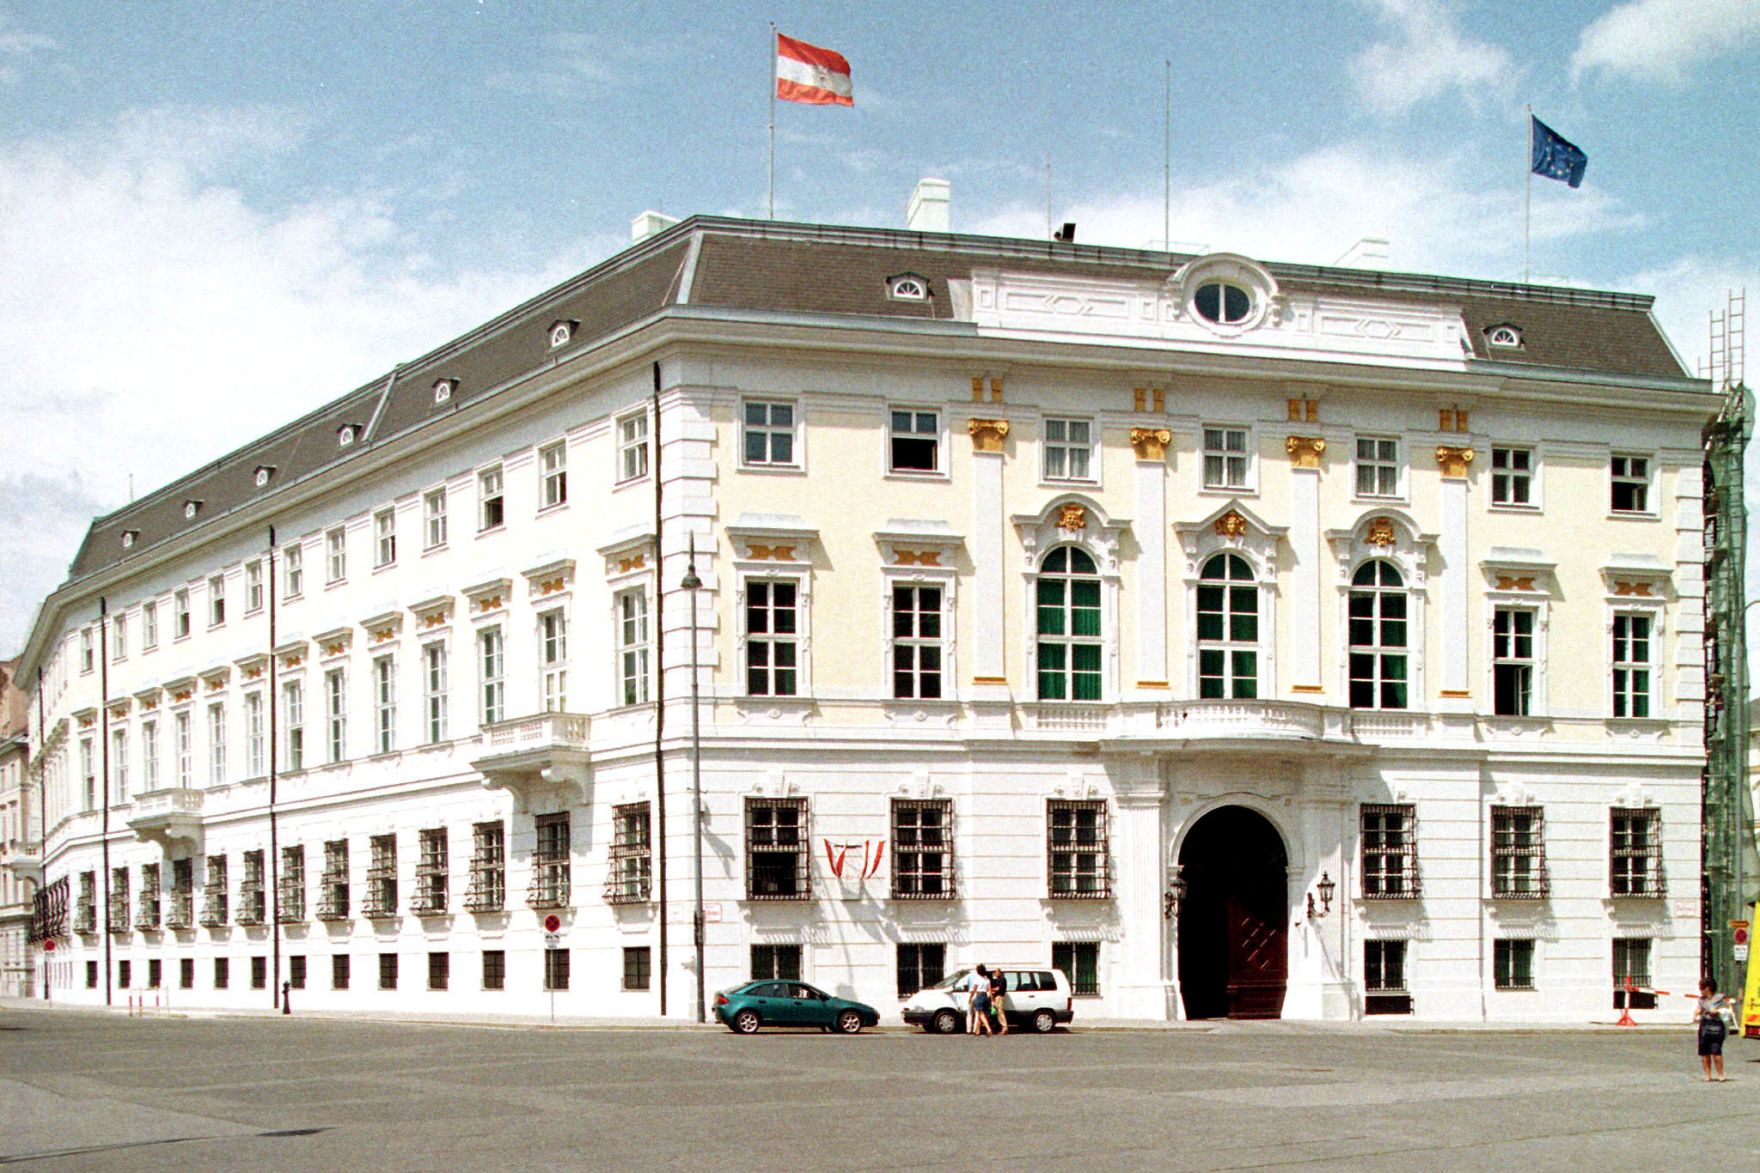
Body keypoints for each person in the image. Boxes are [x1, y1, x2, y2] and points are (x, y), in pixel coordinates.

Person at [1695, 977, 1733, 1082]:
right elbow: (1698, 1009)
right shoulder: (1701, 1000)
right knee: (1704, 1052)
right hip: (1704, 1025)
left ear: (1708, 988)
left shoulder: (1720, 998)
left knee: (1716, 1051)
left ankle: (1720, 1074)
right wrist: (1696, 1014)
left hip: (1716, 1024)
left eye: (1702, 987)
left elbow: (1727, 1009)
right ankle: (1708, 1075)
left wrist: (1717, 1011)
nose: (1700, 990)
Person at [965, 964, 993, 1036]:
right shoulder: (987, 979)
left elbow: (974, 990)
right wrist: (992, 1000)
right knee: (981, 1014)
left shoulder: (977, 979)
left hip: (979, 995)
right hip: (985, 996)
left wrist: (970, 998)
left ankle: (988, 1029)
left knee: (980, 1014)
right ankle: (977, 1031)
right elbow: (989, 990)